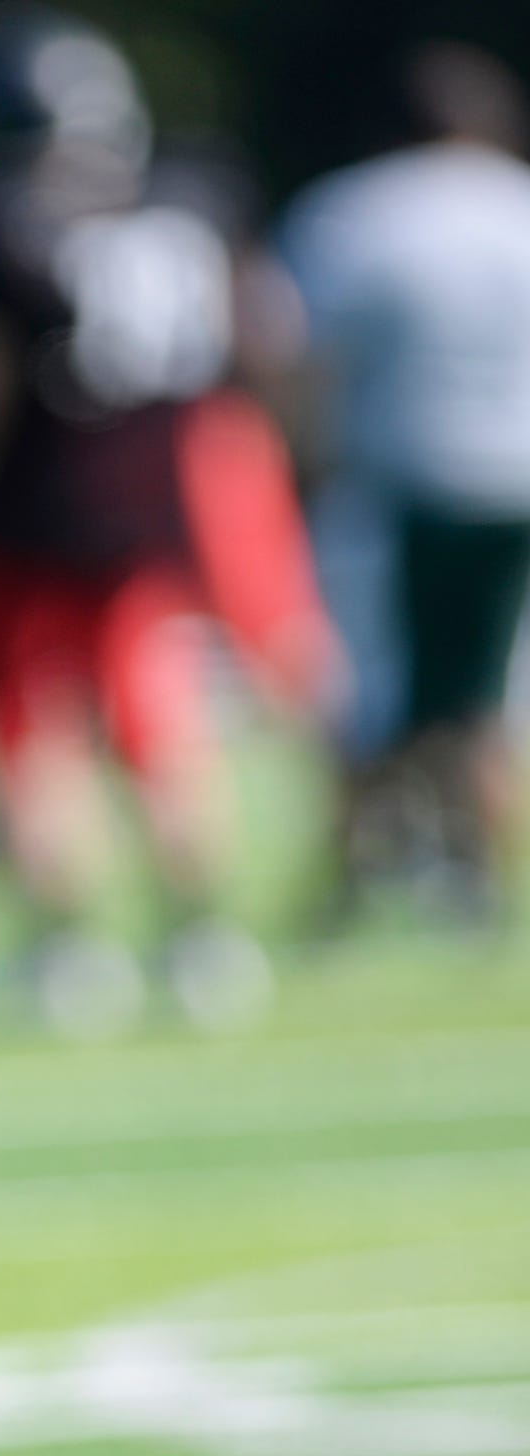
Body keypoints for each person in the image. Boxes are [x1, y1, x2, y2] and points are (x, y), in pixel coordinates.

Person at [0, 7, 336, 1034]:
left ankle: (70, 957)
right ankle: (203, 945)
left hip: (26, 514)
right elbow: (266, 344)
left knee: (34, 740)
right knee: (161, 733)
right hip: (156, 510)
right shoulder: (186, 204)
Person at [278, 43, 530, 929]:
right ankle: (476, 876)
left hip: (400, 482)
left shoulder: (355, 213)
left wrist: (301, 474)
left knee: (369, 689)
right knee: (483, 692)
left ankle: (353, 876)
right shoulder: (519, 208)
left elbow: (304, 365)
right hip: (518, 484)